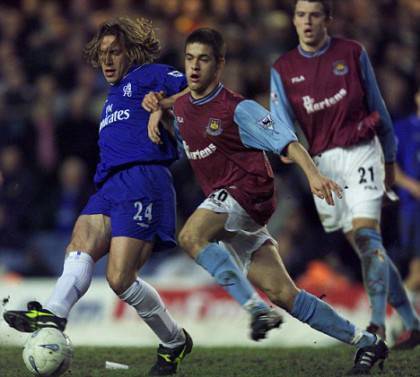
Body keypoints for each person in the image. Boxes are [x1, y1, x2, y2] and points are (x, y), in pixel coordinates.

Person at [144, 27, 389, 375]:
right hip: (233, 207)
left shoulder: (238, 108)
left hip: (250, 191)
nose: (194, 67)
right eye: (189, 58)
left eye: (204, 59)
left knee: (191, 236)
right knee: (284, 294)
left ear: (220, 65)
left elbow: (287, 142)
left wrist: (313, 175)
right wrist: (159, 107)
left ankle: (256, 310)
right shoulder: (182, 105)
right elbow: (178, 106)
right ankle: (368, 343)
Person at [3, 17, 192, 376]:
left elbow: (200, 90)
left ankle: (174, 341)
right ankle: (54, 314)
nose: (107, 60)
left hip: (144, 178)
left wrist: (165, 103)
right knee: (79, 241)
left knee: (120, 280)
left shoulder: (152, 74)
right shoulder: (111, 96)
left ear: (131, 53)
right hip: (110, 185)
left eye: (115, 52)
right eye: (102, 53)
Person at [270, 0, 420, 349]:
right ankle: (412, 322)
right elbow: (280, 122)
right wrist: (291, 154)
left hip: (361, 150)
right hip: (323, 162)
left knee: (368, 238)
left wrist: (390, 160)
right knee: (363, 247)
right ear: (294, 20)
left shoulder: (351, 54)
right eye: (301, 15)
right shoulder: (283, 68)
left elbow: (377, 107)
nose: (307, 22)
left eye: (315, 15)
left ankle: (378, 326)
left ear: (328, 20)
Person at [394, 88, 420, 310]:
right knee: (418, 272)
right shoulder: (403, 129)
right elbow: (391, 168)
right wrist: (414, 187)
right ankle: (397, 320)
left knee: (417, 271)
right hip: (413, 209)